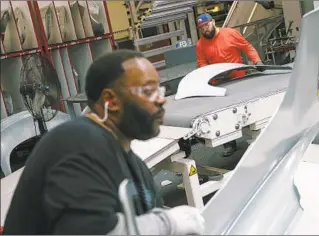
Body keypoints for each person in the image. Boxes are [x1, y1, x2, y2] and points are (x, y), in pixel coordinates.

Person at [3, 50, 205, 235]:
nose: (161, 100)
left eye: (159, 92)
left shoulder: (134, 166)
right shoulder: (74, 144)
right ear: (111, 101)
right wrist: (168, 224)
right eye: (148, 91)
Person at [195, 13, 265, 157]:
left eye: (207, 25)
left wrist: (257, 62)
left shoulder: (230, 34)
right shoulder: (200, 44)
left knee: (248, 109)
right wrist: (210, 76)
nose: (205, 30)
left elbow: (247, 47)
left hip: (239, 79)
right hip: (220, 83)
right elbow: (202, 63)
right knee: (223, 115)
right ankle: (229, 144)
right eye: (201, 28)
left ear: (213, 22)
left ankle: (258, 136)